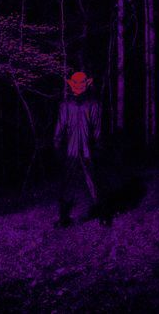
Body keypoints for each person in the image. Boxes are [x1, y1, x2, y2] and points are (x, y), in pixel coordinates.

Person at [53, 71, 101, 227]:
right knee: (67, 183)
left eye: (82, 83)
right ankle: (64, 218)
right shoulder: (66, 104)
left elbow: (97, 128)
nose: (79, 86)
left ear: (86, 85)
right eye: (76, 83)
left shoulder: (93, 104)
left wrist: (97, 146)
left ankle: (100, 213)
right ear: (72, 85)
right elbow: (60, 126)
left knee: (93, 180)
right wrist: (57, 144)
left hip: (88, 149)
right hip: (70, 149)